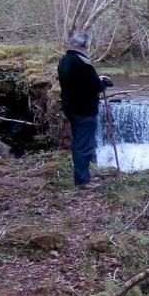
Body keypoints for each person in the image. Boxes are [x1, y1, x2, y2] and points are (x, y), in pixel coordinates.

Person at [58, 31, 113, 189]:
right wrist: (105, 83)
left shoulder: (64, 60)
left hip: (71, 107)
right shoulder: (83, 62)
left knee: (79, 142)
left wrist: (97, 79)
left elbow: (78, 82)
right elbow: (95, 86)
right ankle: (83, 180)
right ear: (86, 45)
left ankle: (84, 176)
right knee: (84, 144)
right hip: (84, 109)